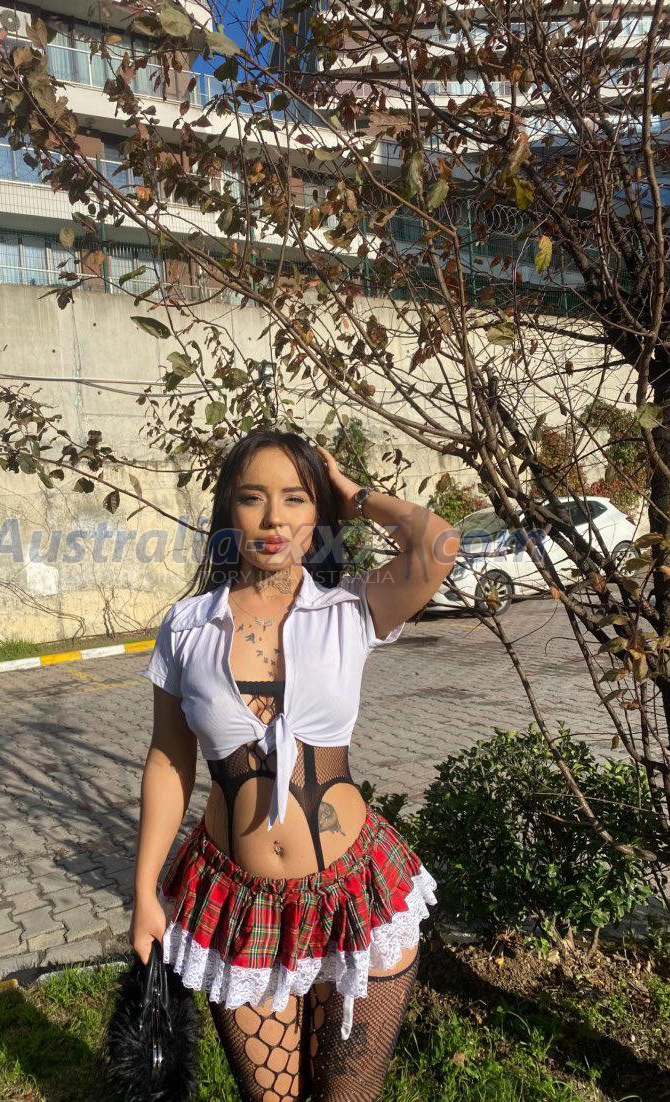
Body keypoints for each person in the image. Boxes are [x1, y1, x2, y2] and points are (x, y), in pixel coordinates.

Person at [130, 429, 460, 1102]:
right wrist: (144, 891)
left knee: (348, 1096)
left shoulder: (351, 609)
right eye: (253, 498)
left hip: (355, 895)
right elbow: (169, 759)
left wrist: (353, 493)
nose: (273, 518)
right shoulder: (187, 627)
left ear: (318, 516)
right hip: (237, 904)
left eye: (295, 499)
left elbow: (438, 546)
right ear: (228, 512)